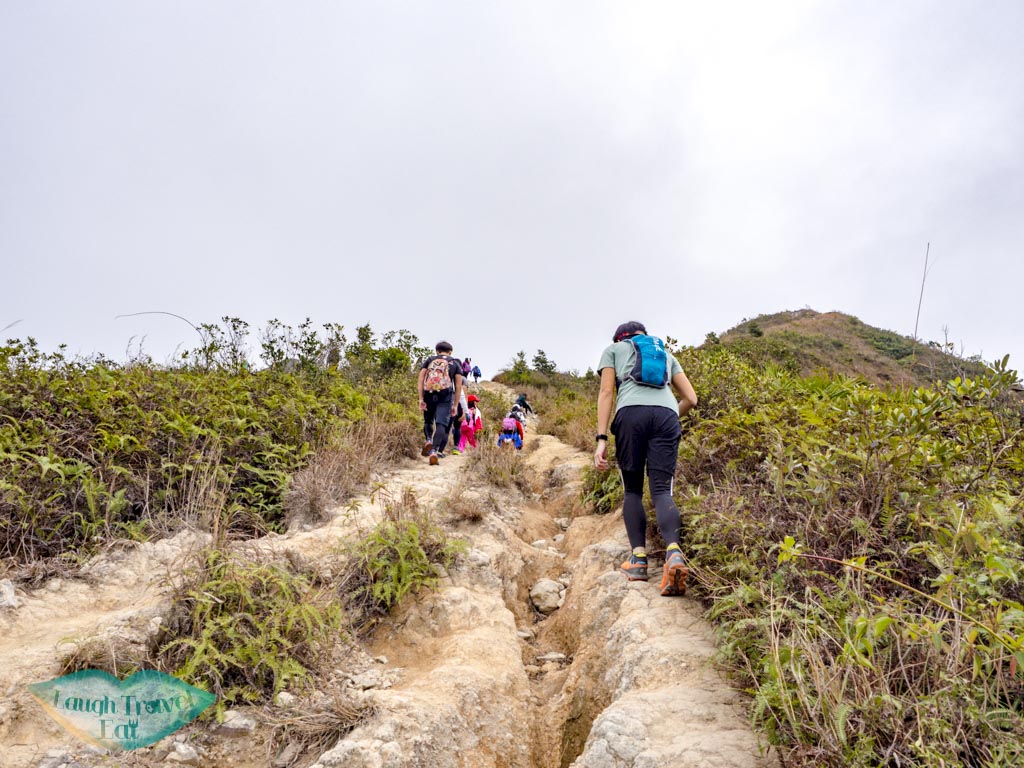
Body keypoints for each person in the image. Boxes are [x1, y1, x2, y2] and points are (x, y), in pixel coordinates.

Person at [593, 321, 698, 596]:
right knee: (662, 490)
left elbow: (606, 393)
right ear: (644, 337)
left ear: (620, 338)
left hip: (631, 415)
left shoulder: (613, 350)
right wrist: (669, 414)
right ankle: (674, 554)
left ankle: (638, 561)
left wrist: (601, 439)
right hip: (666, 416)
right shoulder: (666, 354)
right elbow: (691, 398)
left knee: (633, 491)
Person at [417, 341, 464, 465]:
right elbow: (458, 386)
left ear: (437, 351)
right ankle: (433, 451)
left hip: (429, 393)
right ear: (450, 352)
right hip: (445, 395)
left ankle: (428, 439)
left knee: (428, 421)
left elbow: (421, 378)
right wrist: (455, 405)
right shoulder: (454, 362)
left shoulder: (430, 359)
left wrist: (421, 399)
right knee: (441, 424)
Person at [448, 387, 469, 455]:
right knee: (457, 427)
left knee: (447, 426)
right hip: (458, 405)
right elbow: (465, 396)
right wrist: (465, 412)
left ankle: (439, 449)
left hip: (447, 403)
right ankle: (455, 447)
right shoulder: (463, 379)